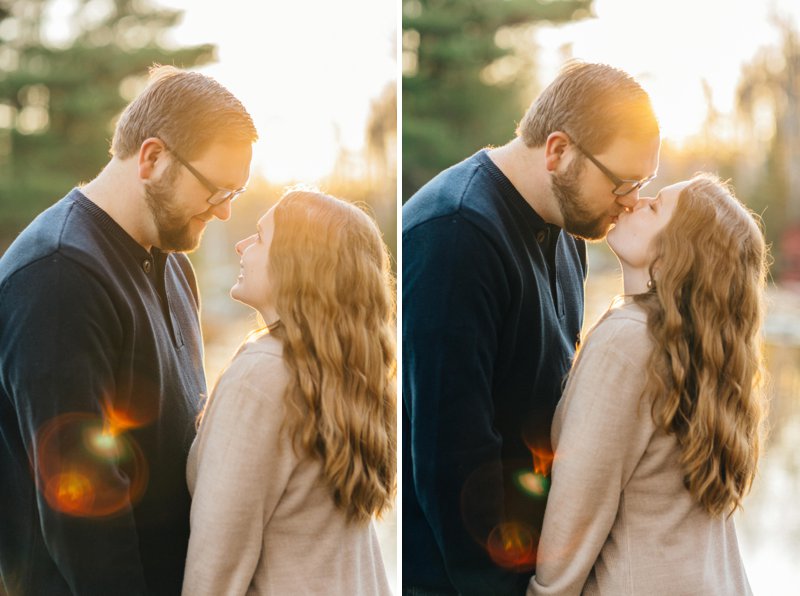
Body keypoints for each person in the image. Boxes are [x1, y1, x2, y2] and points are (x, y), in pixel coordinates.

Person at [402, 60, 661, 595]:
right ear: (559, 150)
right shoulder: (454, 236)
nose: (632, 200)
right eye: (622, 183)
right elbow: (450, 461)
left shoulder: (567, 229)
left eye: (643, 184)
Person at [0, 65, 257, 594]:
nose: (226, 211)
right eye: (216, 189)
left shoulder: (169, 258)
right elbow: (84, 512)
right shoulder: (58, 275)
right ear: (153, 158)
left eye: (236, 191)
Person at [528, 174, 766, 595]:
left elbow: (575, 513)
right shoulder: (699, 355)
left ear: (676, 254)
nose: (635, 201)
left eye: (655, 206)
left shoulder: (627, 343)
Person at [181, 189, 396, 595]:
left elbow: (215, 567)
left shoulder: (260, 376)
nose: (242, 245)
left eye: (260, 237)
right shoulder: (345, 376)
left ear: (297, 263)